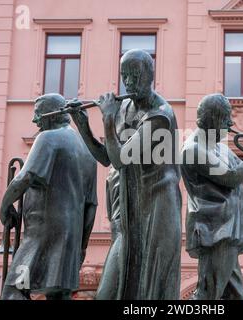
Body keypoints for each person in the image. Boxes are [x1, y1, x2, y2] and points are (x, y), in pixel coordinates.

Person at [69, 49, 182, 300]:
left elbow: (121, 159)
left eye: (135, 76)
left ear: (150, 75)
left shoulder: (160, 115)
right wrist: (83, 125)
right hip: (127, 210)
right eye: (125, 76)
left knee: (138, 292)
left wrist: (108, 119)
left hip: (154, 211)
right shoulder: (125, 108)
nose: (129, 83)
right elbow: (107, 157)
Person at [181, 93, 243, 300]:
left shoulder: (221, 149)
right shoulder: (193, 149)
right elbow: (233, 178)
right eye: (226, 118)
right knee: (208, 293)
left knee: (235, 294)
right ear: (214, 119)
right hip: (215, 231)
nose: (231, 123)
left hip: (227, 230)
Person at [0, 93, 98, 300]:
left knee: (14, 290)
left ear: (53, 115)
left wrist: (5, 207)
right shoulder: (88, 152)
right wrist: (81, 246)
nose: (35, 120)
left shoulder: (48, 138)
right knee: (59, 295)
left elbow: (23, 178)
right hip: (70, 237)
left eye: (38, 115)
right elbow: (91, 206)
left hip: (42, 234)